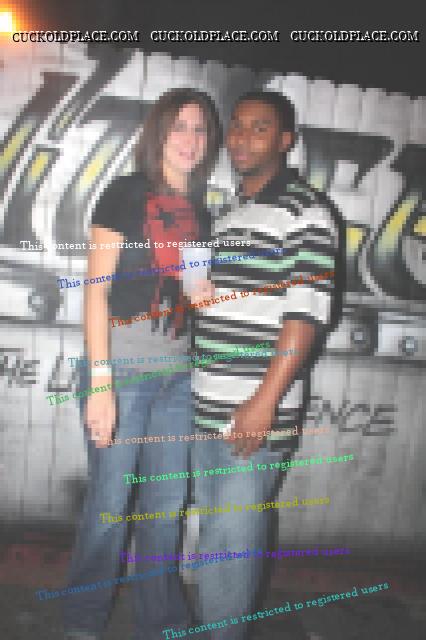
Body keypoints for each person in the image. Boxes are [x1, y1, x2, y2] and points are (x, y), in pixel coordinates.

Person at [62, 88, 221, 640]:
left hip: (177, 376)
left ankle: (163, 622)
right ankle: (82, 623)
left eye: (200, 129)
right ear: (158, 133)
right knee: (109, 509)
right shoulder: (125, 194)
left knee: (165, 508)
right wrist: (100, 383)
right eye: (179, 126)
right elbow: (95, 291)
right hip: (123, 372)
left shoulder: (201, 209)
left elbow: (193, 290)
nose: (190, 140)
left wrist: (207, 295)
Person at [187, 91, 343, 639]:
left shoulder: (307, 211)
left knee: (231, 543)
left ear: (285, 140)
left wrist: (265, 402)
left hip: (253, 408)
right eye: (236, 126)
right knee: (216, 537)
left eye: (259, 128)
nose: (242, 138)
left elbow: (306, 315)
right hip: (207, 402)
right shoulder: (229, 212)